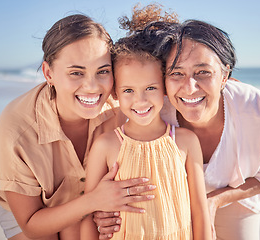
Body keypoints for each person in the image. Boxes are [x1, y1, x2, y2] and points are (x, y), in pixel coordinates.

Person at [0, 14, 156, 240]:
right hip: (30, 212)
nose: (92, 87)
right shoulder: (17, 129)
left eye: (103, 71)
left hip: (92, 201)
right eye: (76, 73)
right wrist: (95, 200)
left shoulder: (122, 107)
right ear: (49, 74)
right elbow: (30, 224)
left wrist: (101, 209)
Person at [80, 15, 212, 240]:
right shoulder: (105, 145)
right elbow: (88, 215)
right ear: (115, 93)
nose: (140, 101)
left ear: (164, 88)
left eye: (150, 88)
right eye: (128, 91)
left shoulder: (186, 141)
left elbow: (200, 212)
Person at [152, 19, 260, 240]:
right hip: (173, 198)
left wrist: (213, 201)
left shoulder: (257, 112)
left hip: (238, 197)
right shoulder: (155, 109)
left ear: (224, 75)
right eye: (176, 73)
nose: (189, 87)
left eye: (202, 72)